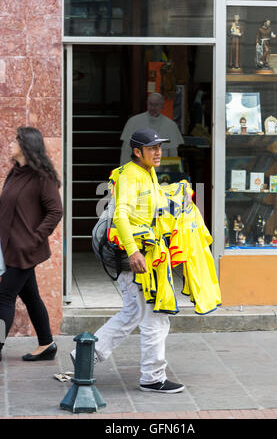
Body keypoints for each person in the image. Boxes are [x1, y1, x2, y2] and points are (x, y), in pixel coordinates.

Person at [71, 128, 186, 394]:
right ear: (137, 151)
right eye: (152, 148)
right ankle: (153, 377)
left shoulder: (148, 172)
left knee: (133, 312)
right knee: (156, 318)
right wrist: (134, 251)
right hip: (137, 260)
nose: (158, 152)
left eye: (159, 147)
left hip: (146, 256)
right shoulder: (129, 176)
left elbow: (145, 210)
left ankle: (87, 355)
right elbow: (122, 216)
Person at [0, 126, 63, 362]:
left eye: (16, 140)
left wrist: (34, 239)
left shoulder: (42, 178)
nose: (11, 144)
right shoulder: (16, 172)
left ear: (26, 146)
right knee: (31, 296)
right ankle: (47, 343)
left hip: (24, 250)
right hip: (9, 247)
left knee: (3, 298)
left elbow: (55, 211)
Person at [120, 93, 184, 165]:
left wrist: (173, 173)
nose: (153, 108)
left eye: (156, 105)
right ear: (147, 104)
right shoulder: (133, 122)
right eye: (150, 104)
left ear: (162, 106)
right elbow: (126, 151)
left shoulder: (170, 125)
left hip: (161, 171)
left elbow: (173, 154)